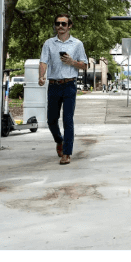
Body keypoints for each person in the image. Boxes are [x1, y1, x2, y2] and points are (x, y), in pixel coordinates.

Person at [39, 14, 88, 165]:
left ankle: (66, 153)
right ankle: (59, 140)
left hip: (69, 85)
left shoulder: (77, 44)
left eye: (63, 24)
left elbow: (85, 65)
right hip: (53, 85)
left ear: (69, 26)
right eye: (57, 23)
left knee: (68, 120)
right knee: (51, 120)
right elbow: (43, 61)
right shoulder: (49, 43)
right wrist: (41, 76)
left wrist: (72, 62)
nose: (60, 26)